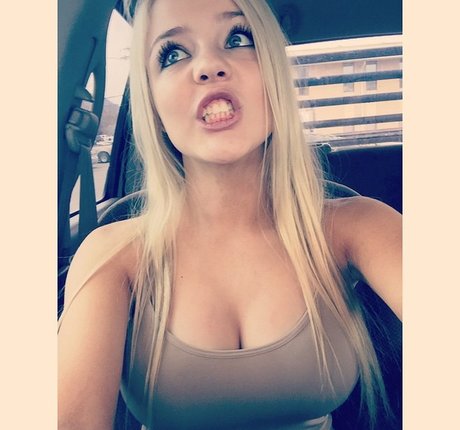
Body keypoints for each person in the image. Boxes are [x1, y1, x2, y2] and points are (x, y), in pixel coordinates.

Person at [58, 0, 402, 429]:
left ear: (274, 77)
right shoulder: (113, 256)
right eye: (173, 54)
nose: (208, 66)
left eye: (238, 38)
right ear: (155, 109)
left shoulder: (359, 227)